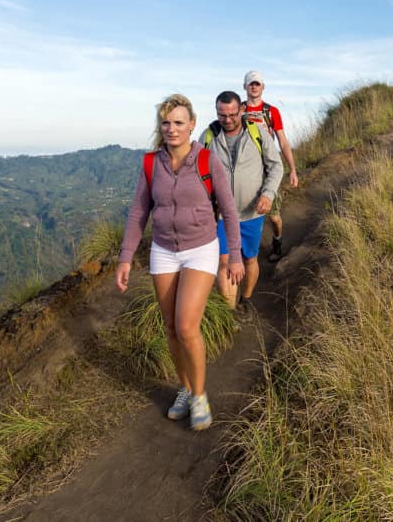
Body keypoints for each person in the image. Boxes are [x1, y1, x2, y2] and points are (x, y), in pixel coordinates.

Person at [116, 94, 245, 432]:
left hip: (201, 248)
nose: (171, 128)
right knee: (171, 328)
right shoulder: (151, 164)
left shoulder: (206, 161)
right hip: (163, 250)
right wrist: (125, 258)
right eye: (166, 122)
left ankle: (200, 395)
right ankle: (186, 389)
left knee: (187, 326)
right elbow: (138, 213)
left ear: (191, 125)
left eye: (178, 122)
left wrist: (231, 256)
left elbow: (229, 211)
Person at [203, 91, 283, 311]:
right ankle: (229, 313)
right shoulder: (209, 136)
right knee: (225, 262)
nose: (227, 120)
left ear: (242, 110)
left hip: (251, 213)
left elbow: (276, 166)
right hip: (220, 216)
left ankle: (245, 300)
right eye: (222, 115)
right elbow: (198, 172)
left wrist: (268, 194)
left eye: (232, 114)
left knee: (249, 260)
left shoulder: (257, 133)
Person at [240, 70, 297, 262]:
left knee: (273, 216)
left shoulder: (271, 112)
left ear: (263, 87)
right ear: (244, 87)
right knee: (243, 212)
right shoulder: (238, 111)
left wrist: (292, 170)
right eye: (251, 84)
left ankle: (277, 240)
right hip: (245, 168)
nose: (254, 87)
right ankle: (244, 252)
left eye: (257, 84)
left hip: (267, 168)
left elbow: (283, 141)